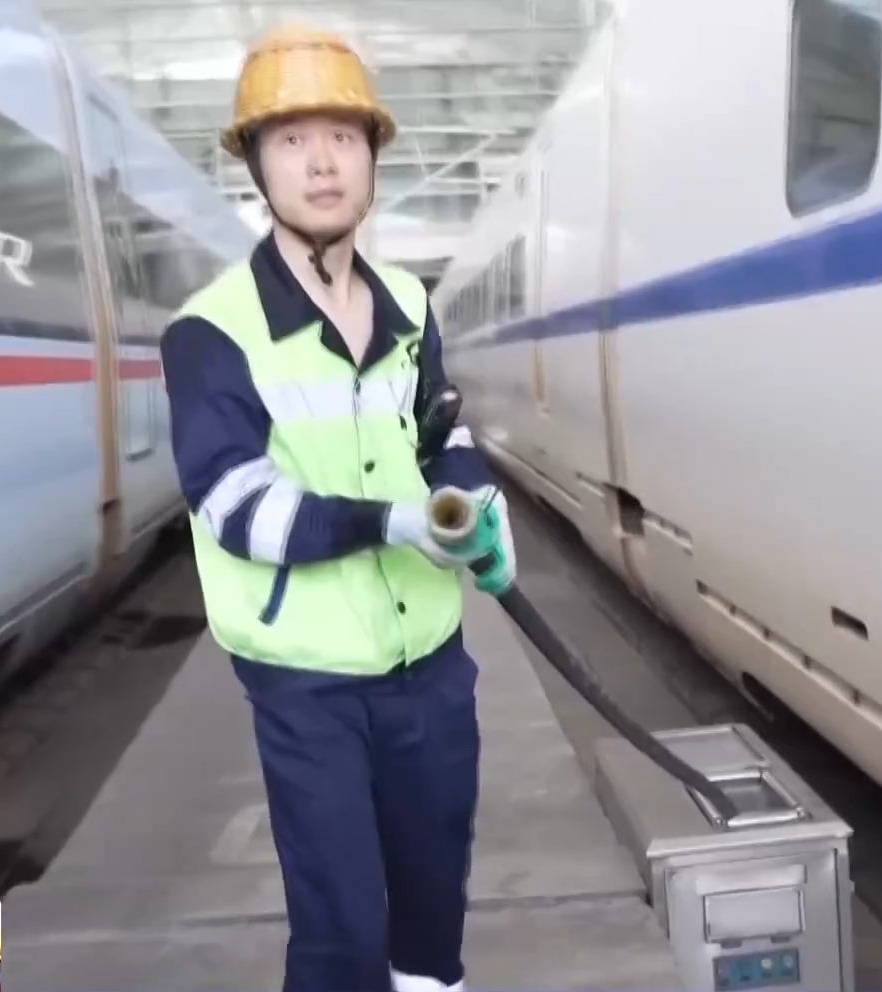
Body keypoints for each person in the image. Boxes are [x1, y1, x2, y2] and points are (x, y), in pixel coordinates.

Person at [156, 23, 517, 992]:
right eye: (292, 140)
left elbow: (440, 433)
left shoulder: (407, 301)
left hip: (430, 666)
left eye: (343, 138)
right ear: (256, 166)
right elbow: (235, 504)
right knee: (345, 936)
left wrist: (476, 503)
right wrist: (390, 522)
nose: (322, 162)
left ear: (372, 157)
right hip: (306, 681)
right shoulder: (212, 331)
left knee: (432, 926)